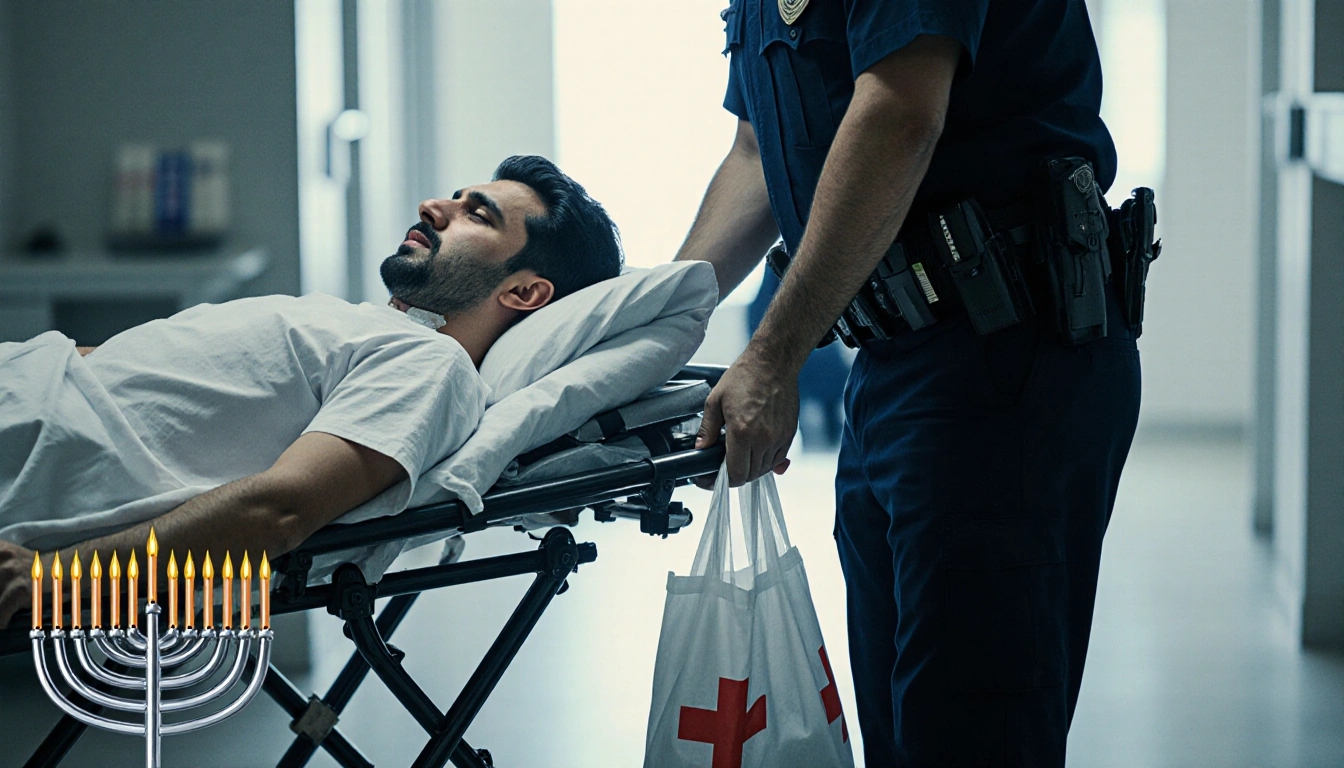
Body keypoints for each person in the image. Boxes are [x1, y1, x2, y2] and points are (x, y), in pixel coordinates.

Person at [674, 1, 1142, 765]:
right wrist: (657, 326)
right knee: (903, 720)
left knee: (972, 727)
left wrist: (772, 355)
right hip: (891, 354)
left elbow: (898, 113)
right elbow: (757, 155)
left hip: (1007, 350)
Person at [0, 155, 622, 629]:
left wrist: (56, 580)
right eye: (455, 198)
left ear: (523, 293)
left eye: (476, 214)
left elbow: (282, 510)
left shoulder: (431, 365)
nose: (436, 206)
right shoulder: (371, 328)